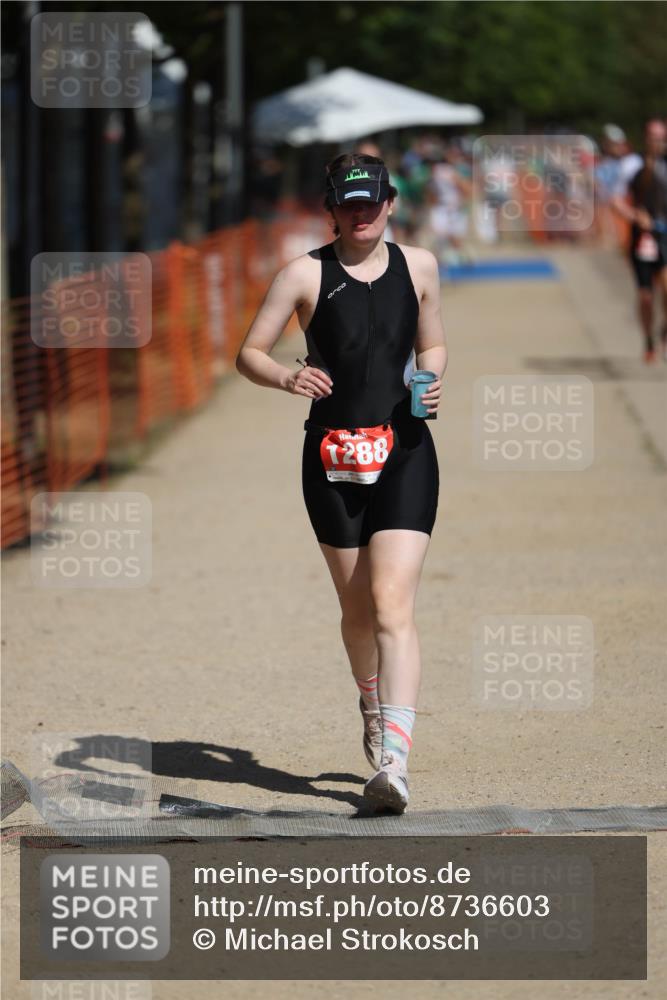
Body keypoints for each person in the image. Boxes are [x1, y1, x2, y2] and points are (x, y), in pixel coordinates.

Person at [235, 152, 447, 814]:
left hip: (405, 447)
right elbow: (248, 352)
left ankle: (393, 761)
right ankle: (369, 697)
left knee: (390, 602)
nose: (362, 215)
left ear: (390, 203)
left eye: (372, 203)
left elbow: (431, 345)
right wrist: (285, 377)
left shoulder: (420, 266)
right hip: (331, 456)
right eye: (348, 205)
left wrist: (429, 380)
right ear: (331, 209)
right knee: (356, 608)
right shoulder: (303, 274)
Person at [611, 119, 667, 362]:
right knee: (646, 295)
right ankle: (648, 339)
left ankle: (665, 327)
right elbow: (615, 200)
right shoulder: (632, 165)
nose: (658, 142)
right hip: (642, 237)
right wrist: (635, 216)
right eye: (654, 137)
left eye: (662, 137)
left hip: (664, 235)